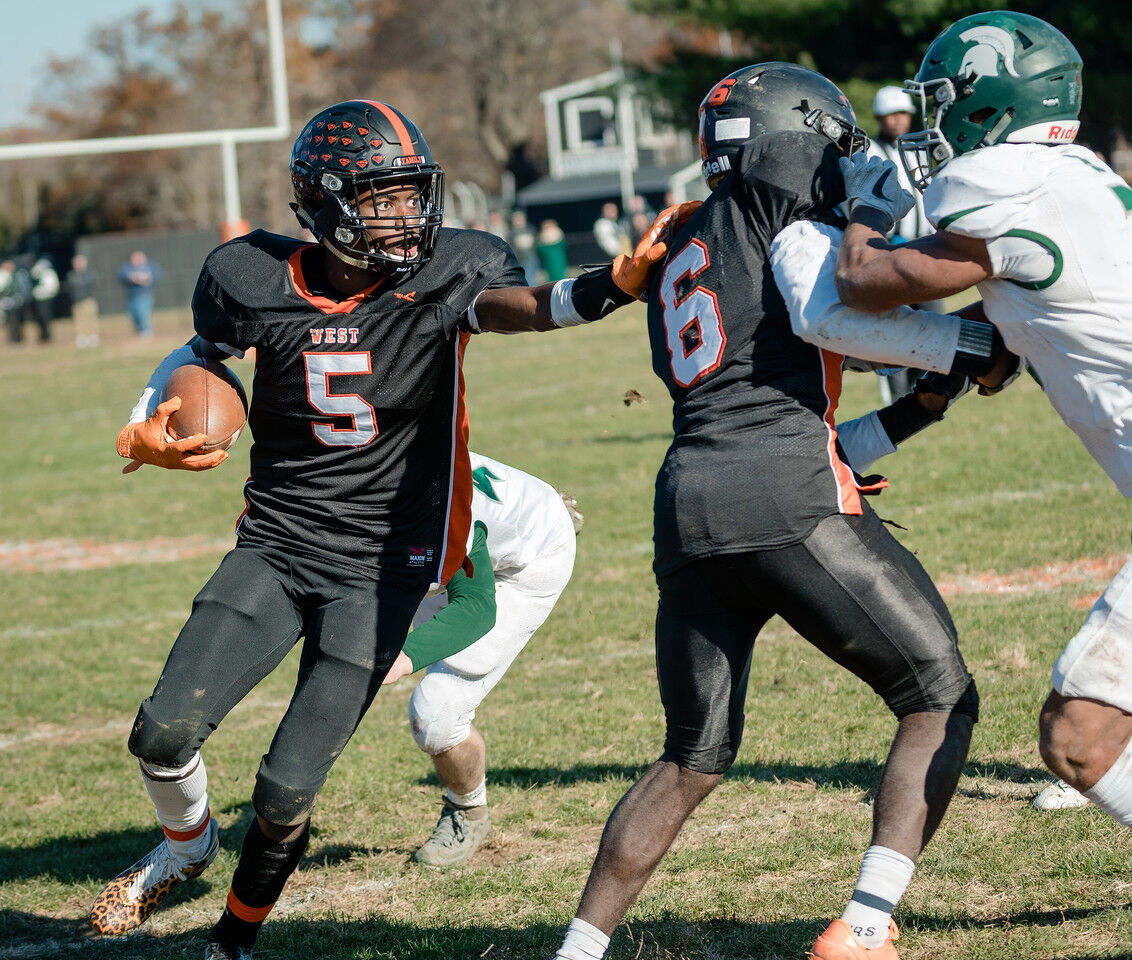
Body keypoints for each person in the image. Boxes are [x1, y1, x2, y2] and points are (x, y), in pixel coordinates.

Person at [88, 98, 680, 960]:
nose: (408, 216)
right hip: (279, 545)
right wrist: (153, 413)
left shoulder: (446, 273)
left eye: (412, 194)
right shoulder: (247, 274)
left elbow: (527, 305)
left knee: (287, 787)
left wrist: (609, 288)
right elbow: (202, 353)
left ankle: (232, 944)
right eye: (382, 199)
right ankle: (189, 844)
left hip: (385, 568)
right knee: (161, 733)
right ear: (325, 204)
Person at [551, 63, 1006, 960]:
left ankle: (578, 952)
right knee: (938, 695)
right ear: (794, 137)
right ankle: (866, 927)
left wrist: (914, 410)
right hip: (785, 497)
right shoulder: (776, 209)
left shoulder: (686, 244)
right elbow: (825, 315)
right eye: (834, 139)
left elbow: (772, 396)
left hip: (689, 503)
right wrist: (967, 339)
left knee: (690, 756)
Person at [833, 11, 1132, 860]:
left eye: (946, 101)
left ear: (991, 100)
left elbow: (866, 282)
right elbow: (1025, 309)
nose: (935, 123)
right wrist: (968, 348)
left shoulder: (1007, 178)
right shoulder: (1073, 176)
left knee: (1080, 735)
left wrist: (865, 205)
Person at [380, 451, 580, 867]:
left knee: (436, 715)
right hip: (467, 539)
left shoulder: (426, 500)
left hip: (526, 563)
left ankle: (467, 811)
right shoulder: (362, 478)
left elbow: (474, 609)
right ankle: (527, 514)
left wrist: (403, 657)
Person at [117, 251, 161, 338]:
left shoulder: (149, 266)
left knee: (143, 312)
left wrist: (147, 278)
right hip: (131, 295)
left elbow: (157, 274)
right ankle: (139, 331)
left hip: (144, 294)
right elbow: (121, 275)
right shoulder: (128, 267)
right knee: (134, 314)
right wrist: (131, 277)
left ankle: (146, 331)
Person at [66, 254, 101, 349]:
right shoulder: (72, 275)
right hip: (76, 301)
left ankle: (93, 337)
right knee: (79, 320)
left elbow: (93, 286)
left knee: (90, 319)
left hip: (88, 300)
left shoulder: (90, 274)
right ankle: (81, 337)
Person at [1, 259, 34, 345]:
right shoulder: (3, 276)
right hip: (7, 303)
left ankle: (18, 338)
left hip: (17, 302)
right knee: (11, 322)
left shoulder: (18, 275)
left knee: (18, 321)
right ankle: (13, 339)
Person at [28, 256, 58, 343]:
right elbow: (33, 274)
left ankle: (47, 336)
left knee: (46, 318)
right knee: (39, 318)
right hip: (38, 299)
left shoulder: (49, 273)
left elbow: (52, 287)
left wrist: (41, 291)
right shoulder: (38, 273)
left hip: (46, 299)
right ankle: (42, 336)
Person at [509, 209, 541, 285]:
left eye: (519, 219)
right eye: (516, 220)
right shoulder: (511, 233)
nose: (517, 222)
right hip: (519, 259)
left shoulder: (530, 229)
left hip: (531, 258)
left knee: (530, 279)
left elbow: (537, 242)